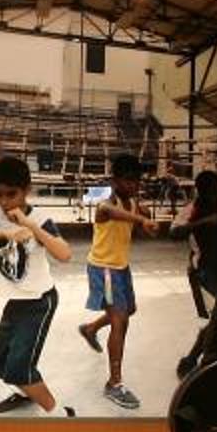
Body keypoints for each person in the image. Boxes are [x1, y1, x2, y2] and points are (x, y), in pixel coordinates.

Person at [0, 156, 77, 418]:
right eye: (0, 194)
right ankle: (27, 393)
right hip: (15, 301)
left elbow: (64, 254)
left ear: (27, 190)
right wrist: (5, 233)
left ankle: (60, 414)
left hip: (39, 301)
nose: (5, 201)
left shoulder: (40, 218)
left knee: (19, 368)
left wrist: (30, 226)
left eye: (12, 194)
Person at [74, 151, 160, 409]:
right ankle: (114, 383)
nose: (133, 185)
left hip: (120, 267)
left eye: (137, 181)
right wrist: (142, 219)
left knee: (128, 311)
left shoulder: (132, 203)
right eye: (128, 180)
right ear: (115, 180)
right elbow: (106, 210)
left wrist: (146, 221)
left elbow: (138, 221)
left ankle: (90, 329)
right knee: (120, 321)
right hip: (104, 269)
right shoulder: (106, 203)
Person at [181, 168, 217, 320]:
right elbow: (174, 231)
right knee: (214, 316)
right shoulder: (192, 209)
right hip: (201, 268)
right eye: (212, 192)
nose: (216, 196)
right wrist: (204, 221)